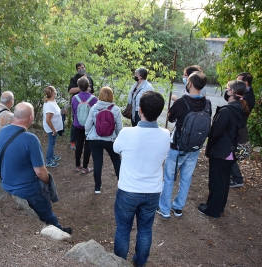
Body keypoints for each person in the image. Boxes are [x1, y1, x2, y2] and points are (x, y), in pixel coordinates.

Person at [113, 91, 170, 266]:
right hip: (152, 192)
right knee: (145, 229)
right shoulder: (166, 134)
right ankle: (140, 263)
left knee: (123, 229)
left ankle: (119, 262)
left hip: (128, 190)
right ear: (160, 112)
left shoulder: (127, 133)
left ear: (139, 110)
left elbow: (116, 149)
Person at [0, 102, 72, 233]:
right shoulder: (31, 139)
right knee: (45, 206)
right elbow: (40, 172)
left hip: (6, 183)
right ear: (31, 118)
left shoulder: (2, 132)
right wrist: (48, 181)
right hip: (26, 190)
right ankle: (58, 230)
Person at [157, 71, 211, 218]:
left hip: (178, 146)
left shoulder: (181, 102)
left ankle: (165, 209)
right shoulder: (207, 103)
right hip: (194, 148)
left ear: (190, 84)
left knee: (169, 178)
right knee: (186, 178)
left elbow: (170, 116)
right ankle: (178, 207)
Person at [198, 80, 250, 218]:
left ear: (232, 92)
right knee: (224, 181)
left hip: (222, 152)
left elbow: (215, 132)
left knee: (216, 182)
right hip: (231, 152)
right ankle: (216, 206)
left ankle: (213, 210)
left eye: (228, 89)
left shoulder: (227, 111)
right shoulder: (242, 109)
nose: (226, 91)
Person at [85, 86, 122, 193]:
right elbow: (119, 127)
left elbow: (88, 125)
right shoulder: (115, 109)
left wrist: (88, 134)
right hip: (110, 139)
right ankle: (121, 183)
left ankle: (97, 187)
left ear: (100, 95)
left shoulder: (94, 108)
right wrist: (118, 138)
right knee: (116, 159)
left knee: (97, 162)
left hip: (94, 139)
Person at [229, 72, 256, 188]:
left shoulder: (248, 97)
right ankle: (235, 176)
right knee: (230, 153)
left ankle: (237, 178)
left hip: (238, 129)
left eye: (238, 81)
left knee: (231, 154)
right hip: (238, 128)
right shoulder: (246, 94)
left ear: (245, 83)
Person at [71, 77, 98, 173]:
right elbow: (96, 114)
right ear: (89, 86)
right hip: (89, 126)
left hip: (77, 125)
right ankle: (85, 168)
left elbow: (74, 112)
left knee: (78, 145)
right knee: (87, 146)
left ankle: (77, 166)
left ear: (78, 86)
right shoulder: (94, 99)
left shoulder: (74, 98)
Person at [68, 62, 95, 149]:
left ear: (85, 68)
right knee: (75, 123)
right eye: (79, 68)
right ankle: (73, 142)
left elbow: (93, 92)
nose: (81, 69)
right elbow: (71, 90)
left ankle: (85, 140)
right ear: (77, 70)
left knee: (88, 122)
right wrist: (82, 87)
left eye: (82, 67)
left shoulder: (90, 78)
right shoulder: (74, 79)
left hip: (88, 104)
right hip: (78, 104)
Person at [42, 86, 63, 168]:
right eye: (55, 90)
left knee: (53, 142)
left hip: (55, 127)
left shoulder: (52, 101)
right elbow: (48, 120)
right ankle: (48, 160)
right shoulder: (50, 105)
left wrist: (62, 111)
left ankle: (52, 156)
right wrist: (53, 130)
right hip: (51, 128)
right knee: (51, 143)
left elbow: (56, 112)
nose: (56, 91)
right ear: (53, 93)